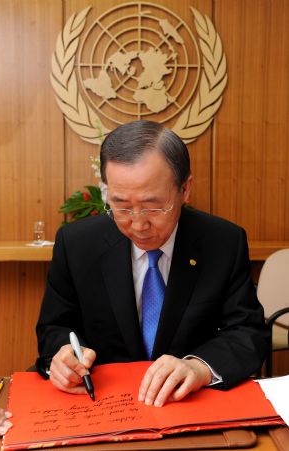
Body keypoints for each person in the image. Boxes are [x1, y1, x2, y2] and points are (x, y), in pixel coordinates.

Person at [36, 120, 269, 407]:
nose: (138, 223)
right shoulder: (77, 244)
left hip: (189, 405)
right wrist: (62, 358)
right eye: (121, 206)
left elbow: (248, 333)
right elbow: (55, 327)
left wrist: (200, 367)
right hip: (102, 405)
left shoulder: (223, 242)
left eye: (153, 206)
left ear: (185, 189)